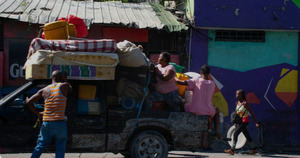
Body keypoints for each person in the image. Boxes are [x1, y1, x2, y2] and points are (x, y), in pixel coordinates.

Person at [26, 70, 72, 158]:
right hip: (59, 122)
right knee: (60, 146)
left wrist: (37, 113)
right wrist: (66, 79)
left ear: (51, 78)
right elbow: (70, 89)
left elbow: (29, 102)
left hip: (46, 122)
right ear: (61, 78)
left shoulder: (44, 90)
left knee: (40, 145)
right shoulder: (64, 86)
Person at [176, 65, 220, 137]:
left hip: (195, 109)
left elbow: (180, 82)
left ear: (201, 72)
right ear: (209, 73)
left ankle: (182, 126)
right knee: (217, 110)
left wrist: (174, 77)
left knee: (182, 103)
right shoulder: (212, 84)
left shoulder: (196, 81)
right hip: (209, 111)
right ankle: (217, 131)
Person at [224, 89, 260, 155]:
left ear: (242, 95)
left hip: (244, 121)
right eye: (236, 94)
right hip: (239, 122)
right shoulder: (238, 102)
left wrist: (256, 122)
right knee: (247, 135)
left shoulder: (245, 103)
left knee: (235, 133)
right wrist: (235, 122)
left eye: (238, 94)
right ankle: (254, 149)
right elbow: (237, 113)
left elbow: (251, 113)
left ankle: (232, 149)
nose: (236, 95)